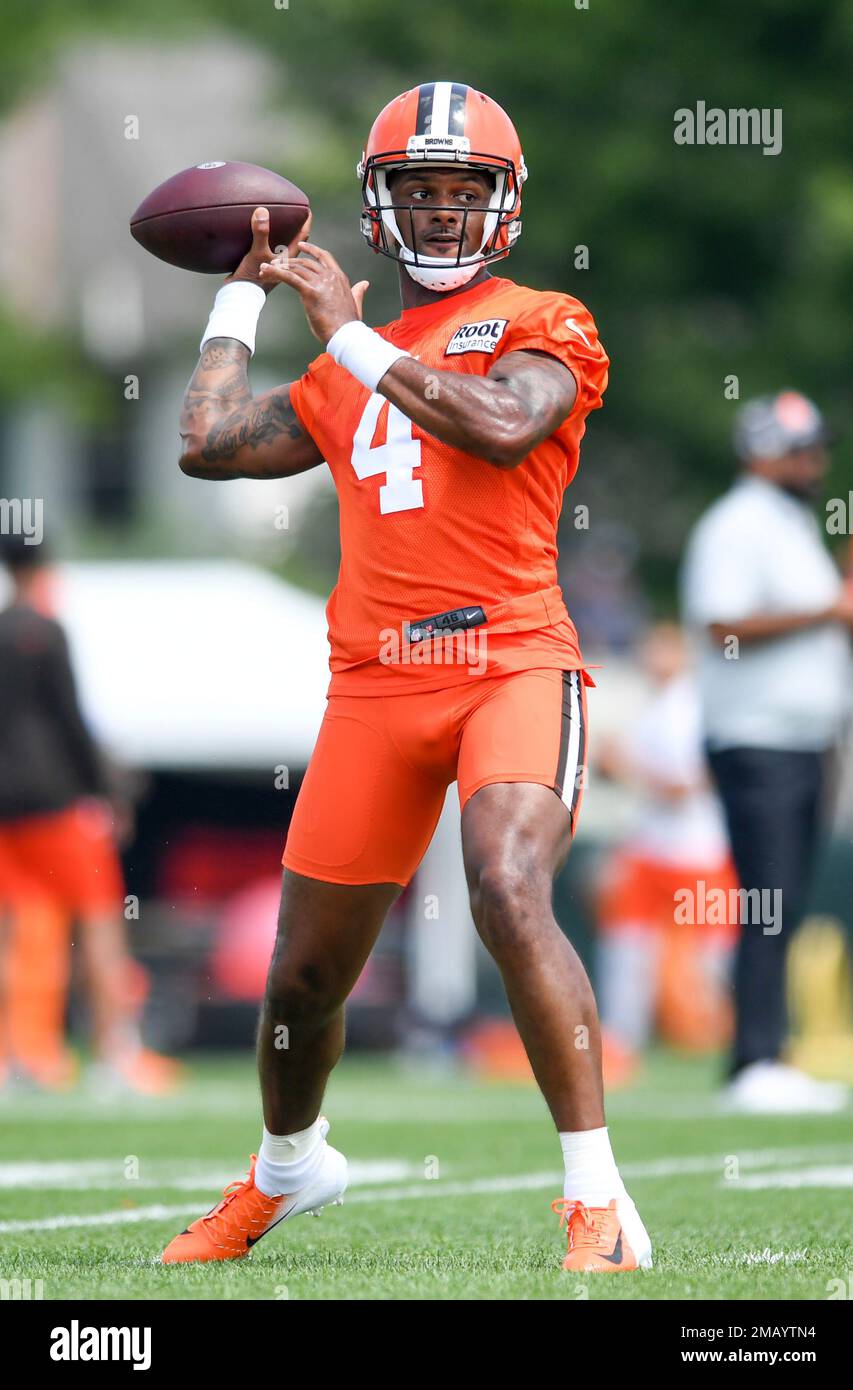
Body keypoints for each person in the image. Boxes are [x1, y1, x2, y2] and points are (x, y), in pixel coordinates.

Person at [163, 82, 652, 1273]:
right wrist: (239, 283)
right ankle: (287, 1170)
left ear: (503, 203)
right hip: (375, 681)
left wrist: (348, 334)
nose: (440, 213)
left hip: (509, 658)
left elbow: (494, 424)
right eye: (419, 192)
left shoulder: (548, 318)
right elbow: (202, 440)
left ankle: (597, 1197)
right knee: (303, 975)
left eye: (462, 190)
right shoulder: (342, 371)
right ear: (383, 206)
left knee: (504, 881)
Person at [681, 390, 853, 1112]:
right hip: (757, 739)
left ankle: (766, 1053)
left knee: (781, 902)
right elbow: (720, 625)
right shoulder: (737, 525)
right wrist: (831, 611)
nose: (817, 460)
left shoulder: (787, 526)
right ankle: (753, 1057)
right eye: (803, 448)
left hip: (800, 737)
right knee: (766, 899)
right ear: (763, 452)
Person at [0, 533, 178, 1094]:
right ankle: (114, 1051)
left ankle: (21, 1052)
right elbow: (71, 721)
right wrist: (108, 792)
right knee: (101, 925)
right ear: (44, 568)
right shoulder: (45, 631)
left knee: (20, 931)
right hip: (56, 804)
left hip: (7, 810)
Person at [594, 623, 738, 1080]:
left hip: (695, 850)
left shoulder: (691, 707)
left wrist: (626, 767)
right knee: (626, 943)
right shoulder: (653, 706)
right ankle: (619, 1039)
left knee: (709, 958)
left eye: (663, 647)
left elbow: (679, 787)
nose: (652, 656)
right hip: (651, 848)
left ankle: (719, 1034)